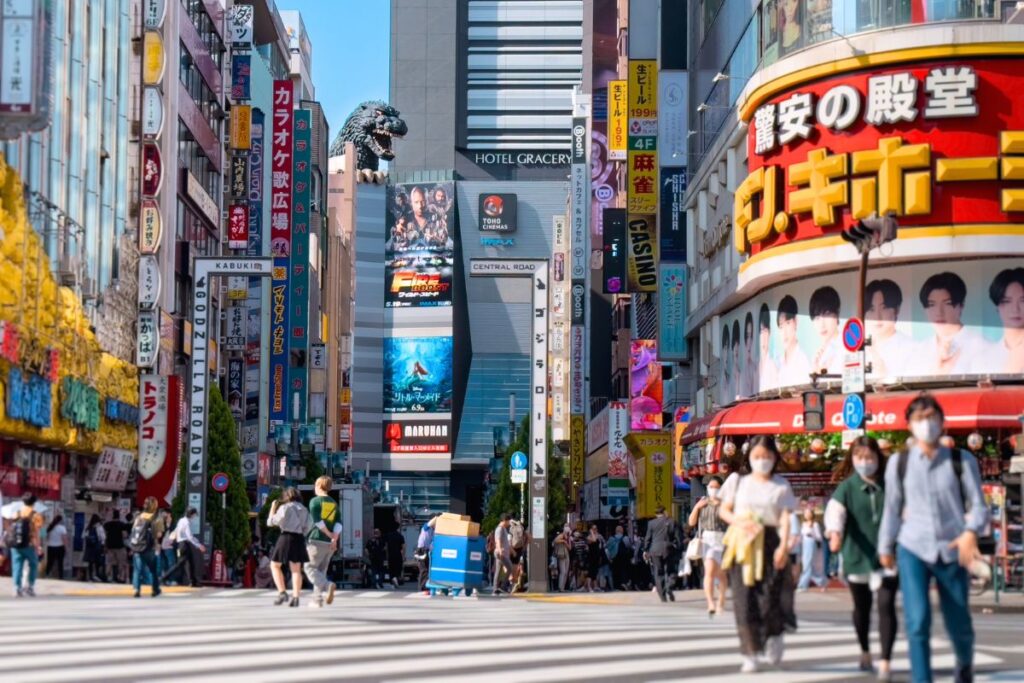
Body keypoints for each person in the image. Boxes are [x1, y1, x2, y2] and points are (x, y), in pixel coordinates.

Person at [878, 393, 988, 683]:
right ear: (909, 425)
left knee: (958, 621)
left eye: (931, 417)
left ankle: (964, 663)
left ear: (942, 422)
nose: (926, 424)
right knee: (917, 621)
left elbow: (978, 506)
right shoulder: (898, 463)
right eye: (919, 418)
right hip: (913, 546)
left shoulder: (961, 460)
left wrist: (970, 532)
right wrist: (885, 547)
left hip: (953, 548)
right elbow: (892, 507)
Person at [719, 435, 797, 673]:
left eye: (767, 457)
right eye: (757, 457)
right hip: (742, 542)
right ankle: (750, 651)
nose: (762, 461)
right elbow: (724, 509)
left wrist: (784, 546)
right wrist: (740, 522)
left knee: (770, 596)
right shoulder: (737, 481)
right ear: (749, 458)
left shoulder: (781, 484)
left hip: (771, 542)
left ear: (774, 458)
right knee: (744, 600)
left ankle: (774, 634)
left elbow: (785, 518)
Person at [825, 436, 897, 682]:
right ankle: (865, 650)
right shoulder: (847, 487)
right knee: (862, 608)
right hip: (856, 554)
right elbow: (835, 513)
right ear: (852, 460)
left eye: (869, 458)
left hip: (887, 555)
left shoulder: (890, 484)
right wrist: (834, 534)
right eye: (859, 458)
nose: (865, 463)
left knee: (886, 606)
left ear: (878, 458)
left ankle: (886, 660)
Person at [912, 272, 990, 376]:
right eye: (932, 304)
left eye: (947, 304)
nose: (939, 312)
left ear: (961, 305)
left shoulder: (982, 346)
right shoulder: (919, 350)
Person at [689, 476, 728, 616]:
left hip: (723, 539)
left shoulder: (726, 504)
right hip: (708, 539)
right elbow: (691, 522)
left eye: (716, 487)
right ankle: (711, 603)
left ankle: (721, 600)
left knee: (722, 574)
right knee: (710, 571)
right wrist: (697, 507)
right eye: (711, 487)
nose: (713, 489)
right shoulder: (702, 504)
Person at [267, 488, 312, 607]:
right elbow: (308, 527)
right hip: (299, 538)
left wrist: (272, 508)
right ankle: (296, 597)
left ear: (286, 496)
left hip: (286, 537)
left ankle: (282, 592)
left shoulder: (285, 507)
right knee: (296, 569)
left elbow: (271, 522)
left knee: (275, 565)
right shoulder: (304, 509)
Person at [865, 279, 913, 378]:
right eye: (871, 309)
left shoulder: (910, 348)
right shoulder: (858, 348)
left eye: (884, 308)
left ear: (897, 310)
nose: (877, 317)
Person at [304, 476, 341, 608]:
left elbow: (317, 521)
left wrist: (328, 533)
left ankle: (327, 585)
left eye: (315, 484)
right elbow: (338, 523)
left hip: (316, 539)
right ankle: (317, 600)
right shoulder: (334, 503)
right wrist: (334, 539)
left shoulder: (314, 501)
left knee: (309, 567)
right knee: (321, 571)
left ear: (319, 485)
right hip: (329, 544)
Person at [989, 267, 1024, 373]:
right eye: (1007, 301)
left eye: (1023, 301)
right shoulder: (986, 356)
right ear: (997, 308)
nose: (1015, 309)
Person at [10, 493, 44, 597]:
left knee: (17, 566)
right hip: (29, 545)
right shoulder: (36, 515)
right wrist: (38, 546)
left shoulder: (16, 513)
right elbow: (37, 533)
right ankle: (30, 587)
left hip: (16, 545)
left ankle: (17, 588)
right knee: (33, 565)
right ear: (34, 503)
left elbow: (12, 528)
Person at [129, 496, 164, 598]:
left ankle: (136, 589)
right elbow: (158, 535)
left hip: (137, 547)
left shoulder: (139, 517)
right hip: (150, 548)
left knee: (137, 569)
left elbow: (133, 531)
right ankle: (155, 589)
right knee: (153, 570)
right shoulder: (156, 518)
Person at [162, 508, 206, 587]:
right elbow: (189, 537)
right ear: (191, 514)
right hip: (184, 545)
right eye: (194, 515)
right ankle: (165, 577)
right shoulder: (186, 522)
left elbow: (179, 532)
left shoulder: (181, 520)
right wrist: (199, 545)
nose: (194, 517)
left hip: (180, 545)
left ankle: (191, 581)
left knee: (185, 564)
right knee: (187, 563)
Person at [644, 507, 679, 602]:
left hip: (655, 550)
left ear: (656, 514)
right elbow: (678, 537)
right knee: (671, 570)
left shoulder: (651, 523)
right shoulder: (672, 522)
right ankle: (669, 586)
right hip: (669, 549)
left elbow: (648, 538)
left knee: (658, 572)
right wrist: (679, 548)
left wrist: (645, 550)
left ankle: (663, 597)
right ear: (665, 512)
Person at [775, 295, 811, 388]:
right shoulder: (777, 362)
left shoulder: (803, 361)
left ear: (796, 321)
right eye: (781, 326)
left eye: (788, 323)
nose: (784, 332)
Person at [809, 286, 843, 375]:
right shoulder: (817, 356)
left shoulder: (847, 346)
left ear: (837, 313)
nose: (822, 324)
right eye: (817, 318)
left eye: (827, 315)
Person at [797, 507, 827, 591]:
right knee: (807, 565)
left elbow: (819, 537)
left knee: (807, 565)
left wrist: (811, 533)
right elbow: (801, 536)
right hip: (804, 544)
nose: (807, 514)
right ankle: (822, 582)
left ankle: (802, 585)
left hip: (811, 543)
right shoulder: (803, 524)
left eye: (808, 513)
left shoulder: (815, 524)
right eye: (805, 513)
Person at [104, 509, 129, 583]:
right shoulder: (122, 524)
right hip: (120, 546)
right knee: (121, 562)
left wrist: (106, 545)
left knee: (110, 562)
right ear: (119, 516)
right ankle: (119, 577)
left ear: (112, 516)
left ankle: (107, 576)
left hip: (110, 546)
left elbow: (105, 535)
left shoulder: (107, 525)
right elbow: (125, 535)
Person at [758, 304, 778, 392]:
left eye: (765, 331)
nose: (763, 336)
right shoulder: (756, 365)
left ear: (769, 333)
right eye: (761, 331)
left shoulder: (773, 366)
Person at [492, 513, 513, 594]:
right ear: (504, 520)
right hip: (500, 553)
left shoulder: (503, 528)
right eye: (508, 521)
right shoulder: (499, 529)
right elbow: (498, 540)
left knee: (498, 570)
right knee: (510, 567)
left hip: (501, 553)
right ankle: (503, 586)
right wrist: (500, 550)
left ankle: (495, 588)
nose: (508, 523)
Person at [84, 513, 106, 582]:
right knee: (98, 562)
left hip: (89, 547)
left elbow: (84, 536)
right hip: (97, 547)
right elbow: (103, 537)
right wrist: (103, 545)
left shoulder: (88, 527)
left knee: (90, 562)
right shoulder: (99, 527)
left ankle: (90, 577)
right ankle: (97, 575)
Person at [45, 514, 69, 580]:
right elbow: (64, 539)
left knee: (50, 562)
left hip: (50, 547)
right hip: (60, 547)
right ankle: (60, 576)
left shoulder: (50, 527)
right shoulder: (62, 528)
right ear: (60, 521)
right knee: (60, 562)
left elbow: (46, 537)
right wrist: (66, 548)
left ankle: (47, 574)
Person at [415, 518, 435, 594]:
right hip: (421, 550)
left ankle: (426, 587)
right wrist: (437, 518)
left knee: (427, 569)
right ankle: (423, 588)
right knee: (424, 570)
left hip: (426, 550)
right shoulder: (426, 527)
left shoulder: (433, 531)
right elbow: (430, 523)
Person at [158, 510, 177, 584]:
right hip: (163, 547)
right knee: (163, 564)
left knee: (171, 563)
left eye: (166, 514)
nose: (165, 516)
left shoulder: (173, 524)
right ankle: (165, 579)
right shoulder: (163, 524)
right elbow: (160, 535)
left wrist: (168, 526)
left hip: (170, 547)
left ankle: (172, 579)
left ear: (170, 515)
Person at [552, 527, 572, 592]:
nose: (567, 533)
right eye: (566, 532)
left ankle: (562, 587)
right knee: (562, 571)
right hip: (561, 555)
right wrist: (563, 540)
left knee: (566, 572)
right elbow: (555, 540)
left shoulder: (568, 537)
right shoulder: (561, 535)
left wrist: (566, 543)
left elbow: (570, 548)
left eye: (568, 532)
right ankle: (560, 587)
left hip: (566, 555)